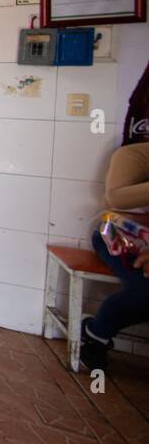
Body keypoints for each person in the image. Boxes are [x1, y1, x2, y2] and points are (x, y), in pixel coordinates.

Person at [79, 141, 149, 372]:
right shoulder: (133, 154)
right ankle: (96, 334)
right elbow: (115, 197)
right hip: (117, 231)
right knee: (145, 290)